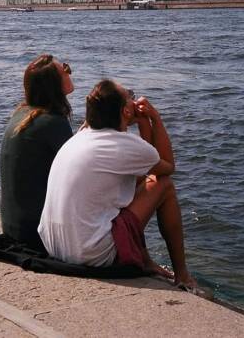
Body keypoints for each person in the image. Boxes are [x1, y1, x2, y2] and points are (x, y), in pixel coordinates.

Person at [38, 79, 199, 291]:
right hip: (91, 254)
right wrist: (153, 118)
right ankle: (183, 276)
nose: (134, 99)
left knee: (136, 185)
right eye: (130, 96)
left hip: (54, 246)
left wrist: (140, 124)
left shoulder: (81, 136)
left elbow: (144, 169)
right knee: (164, 186)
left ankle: (147, 262)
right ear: (125, 111)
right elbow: (167, 167)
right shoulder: (123, 144)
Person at [0, 54, 74, 250]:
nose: (69, 71)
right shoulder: (53, 122)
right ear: (54, 85)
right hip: (37, 235)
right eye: (65, 69)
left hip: (14, 228)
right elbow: (80, 174)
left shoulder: (22, 114)